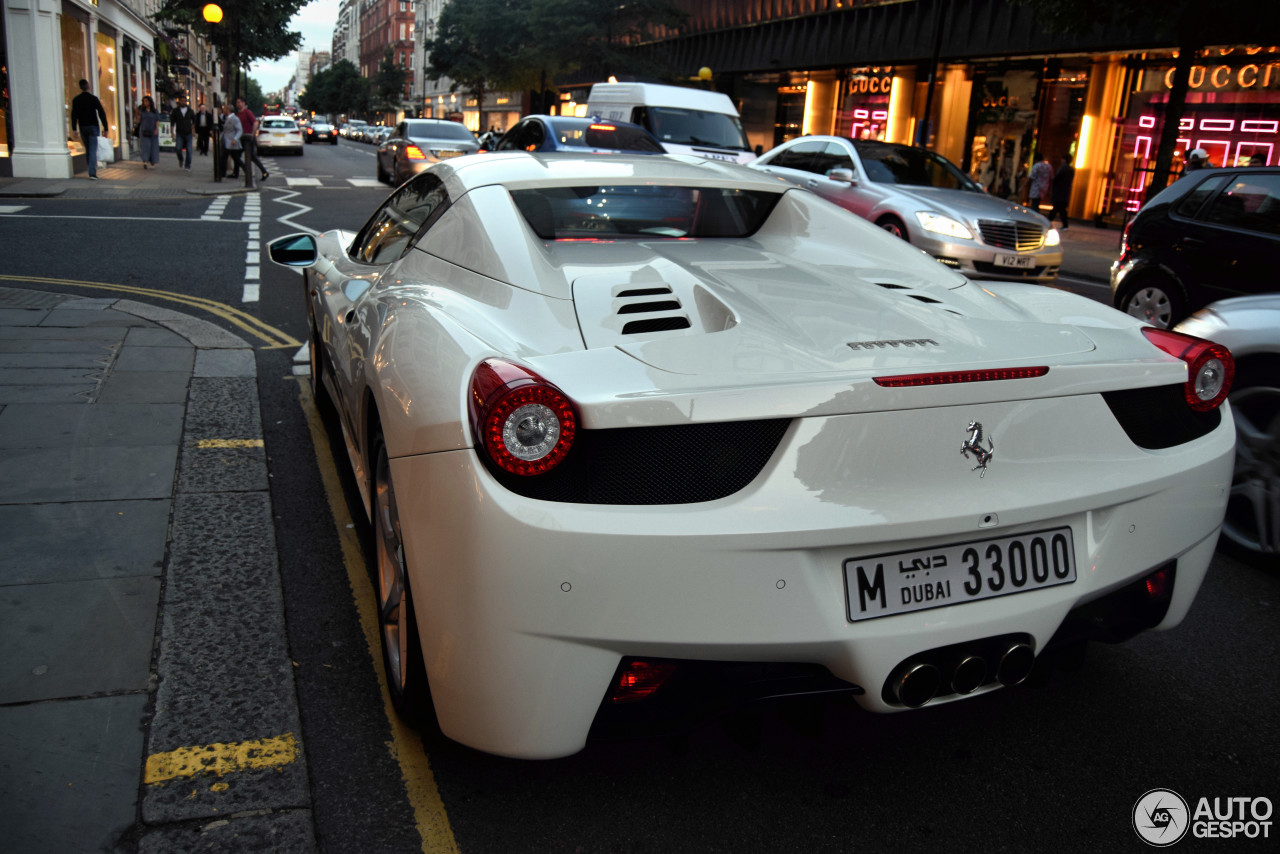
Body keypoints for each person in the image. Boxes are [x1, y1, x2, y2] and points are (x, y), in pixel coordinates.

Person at [69, 78, 109, 180]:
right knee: (92, 150)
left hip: (83, 126)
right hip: (93, 126)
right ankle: (92, 172)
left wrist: (74, 128)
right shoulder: (93, 99)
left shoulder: (76, 100)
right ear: (88, 86)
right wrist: (106, 127)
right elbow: (101, 113)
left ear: (80, 87)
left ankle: (90, 168)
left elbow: (74, 115)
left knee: (88, 149)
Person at [235, 97, 269, 182]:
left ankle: (264, 171)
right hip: (241, 138)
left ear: (243, 103)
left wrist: (252, 134)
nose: (238, 104)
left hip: (248, 139)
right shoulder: (238, 114)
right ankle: (238, 172)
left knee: (252, 156)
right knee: (236, 155)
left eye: (240, 102)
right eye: (237, 103)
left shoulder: (247, 112)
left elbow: (255, 122)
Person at [170, 95, 196, 170]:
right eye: (182, 101)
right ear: (179, 101)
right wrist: (172, 132)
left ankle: (187, 165)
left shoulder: (190, 111)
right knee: (178, 148)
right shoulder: (175, 111)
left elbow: (194, 121)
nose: (183, 102)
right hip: (179, 132)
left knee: (189, 149)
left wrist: (193, 130)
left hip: (188, 132)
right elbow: (172, 122)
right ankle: (181, 159)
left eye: (184, 101)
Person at [1049, 154, 1075, 229]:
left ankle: (1048, 221)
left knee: (1057, 208)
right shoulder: (1071, 169)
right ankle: (1064, 224)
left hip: (1059, 191)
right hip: (1064, 191)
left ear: (1064, 160)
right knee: (1060, 209)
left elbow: (1056, 179)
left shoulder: (1063, 168)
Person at [135, 96, 160, 169]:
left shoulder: (154, 111)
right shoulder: (142, 111)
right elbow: (139, 121)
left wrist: (156, 129)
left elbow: (157, 120)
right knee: (145, 146)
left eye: (146, 101)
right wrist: (137, 114)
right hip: (144, 130)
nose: (145, 103)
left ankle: (152, 161)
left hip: (153, 130)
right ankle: (145, 161)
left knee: (153, 146)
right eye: (144, 101)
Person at [220, 104, 244, 179]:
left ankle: (244, 170)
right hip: (227, 141)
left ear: (228, 110)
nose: (223, 111)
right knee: (226, 158)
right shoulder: (226, 118)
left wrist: (235, 139)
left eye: (224, 109)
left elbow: (239, 130)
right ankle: (226, 173)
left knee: (236, 159)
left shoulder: (235, 119)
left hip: (232, 142)